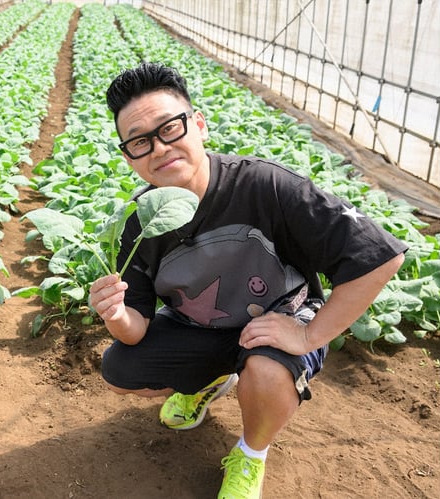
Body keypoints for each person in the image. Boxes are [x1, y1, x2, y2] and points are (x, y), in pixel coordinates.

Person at [88, 62, 407, 499]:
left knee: (266, 370)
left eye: (170, 128)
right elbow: (137, 326)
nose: (160, 148)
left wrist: (310, 333)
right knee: (121, 368)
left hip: (274, 325)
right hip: (203, 327)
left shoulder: (266, 185)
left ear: (198, 125)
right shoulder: (140, 220)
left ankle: (251, 453)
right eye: (141, 142)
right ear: (129, 156)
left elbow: (378, 257)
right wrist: (116, 312)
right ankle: (209, 382)